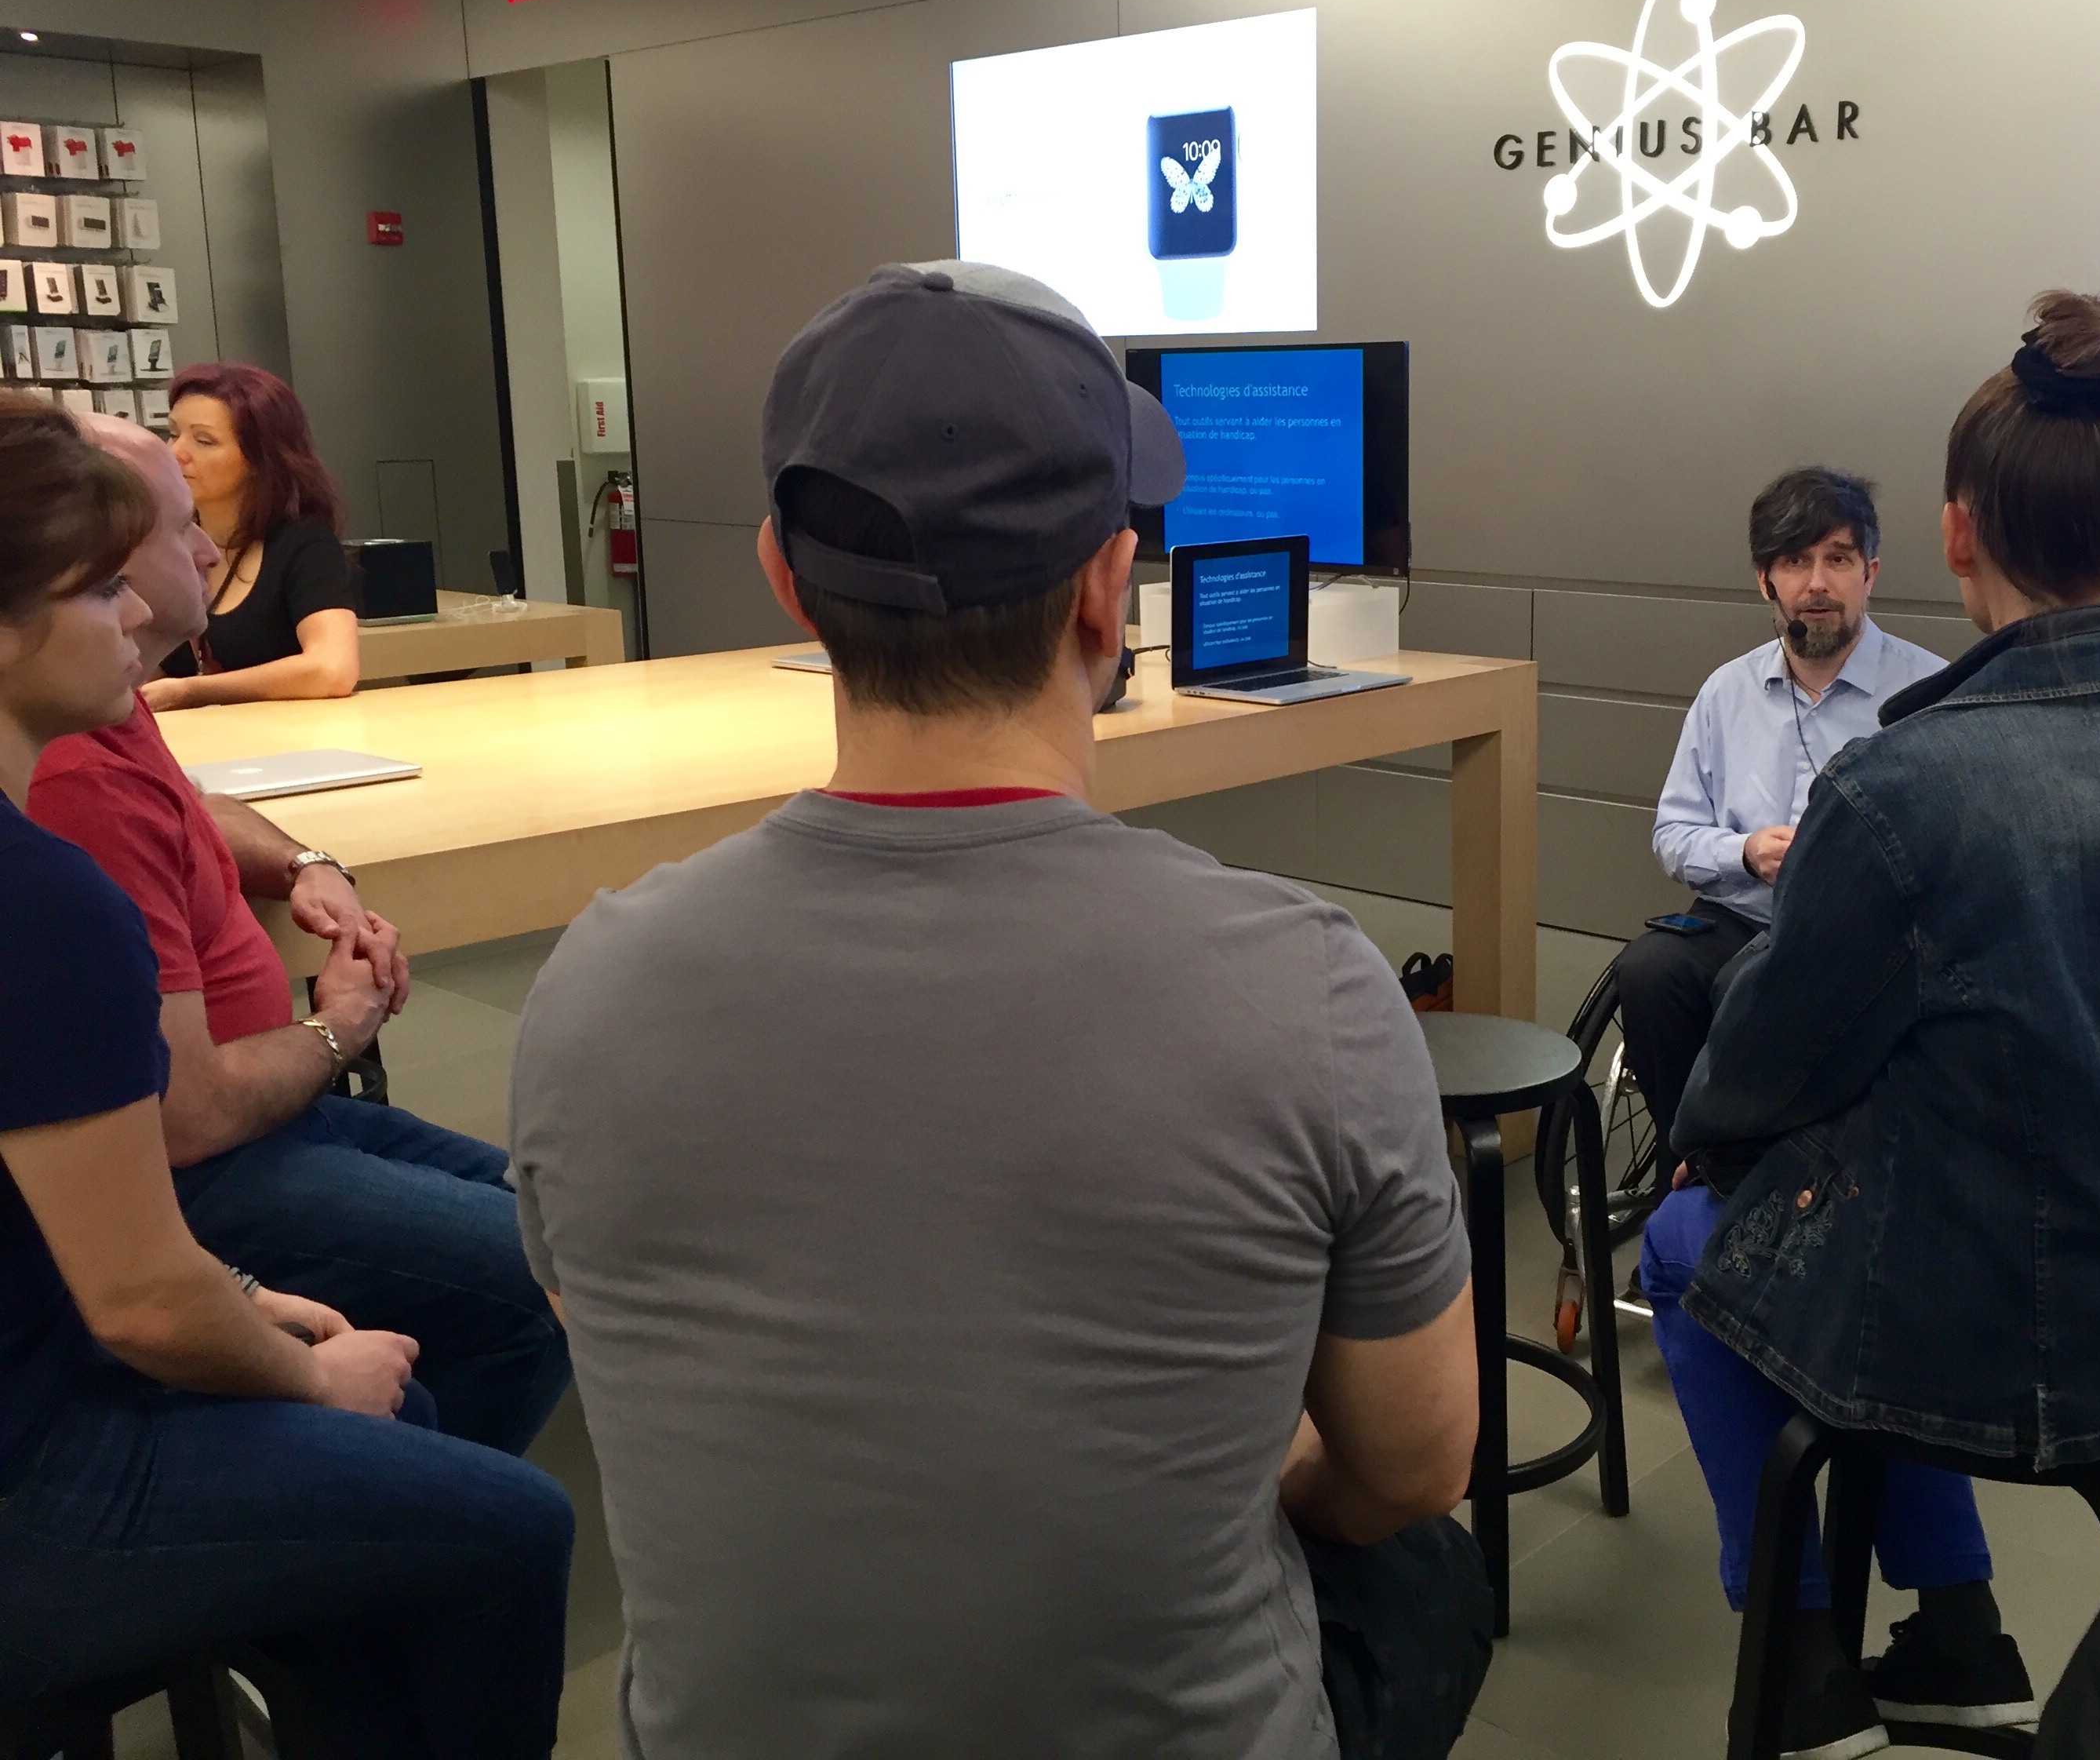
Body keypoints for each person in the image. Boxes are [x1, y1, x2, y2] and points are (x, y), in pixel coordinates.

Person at [511, 261, 1493, 1759]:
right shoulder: (1304, 984)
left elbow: (626, 1341)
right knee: (1424, 1570)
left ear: (786, 575)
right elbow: (1414, 1465)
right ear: (1108, 590)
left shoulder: (586, 989)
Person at [1641, 291, 2100, 1759]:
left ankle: (1801, 1648)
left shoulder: (1902, 786)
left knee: (1686, 1245)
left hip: (1963, 1333)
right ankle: (1955, 1628)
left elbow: (1753, 1067)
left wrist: (1706, 1143)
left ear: (1947, 540)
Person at [0, 393, 571, 1755]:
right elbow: (138, 1290)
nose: (139, 616)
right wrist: (296, 1370)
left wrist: (257, 1312)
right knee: (514, 1524)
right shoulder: (45, 900)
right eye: (100, 587)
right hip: (39, 1470)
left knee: (428, 1380)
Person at [1616, 468, 1942, 1141]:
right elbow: (1672, 831)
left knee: (1760, 993)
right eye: (1795, 561)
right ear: (1765, 581)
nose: (1817, 583)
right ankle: (1696, 1161)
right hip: (1741, 917)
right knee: (1647, 972)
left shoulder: (1927, 693)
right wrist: (1742, 851)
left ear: (1870, 573)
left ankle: (1778, 1177)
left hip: (1868, 942)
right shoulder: (1725, 692)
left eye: (1838, 559)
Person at [144, 362, 359, 708]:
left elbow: (332, 669)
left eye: (204, 441)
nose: (175, 453)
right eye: (173, 432)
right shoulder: (161, 545)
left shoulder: (302, 545)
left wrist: (190, 691)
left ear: (260, 460)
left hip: (285, 745)